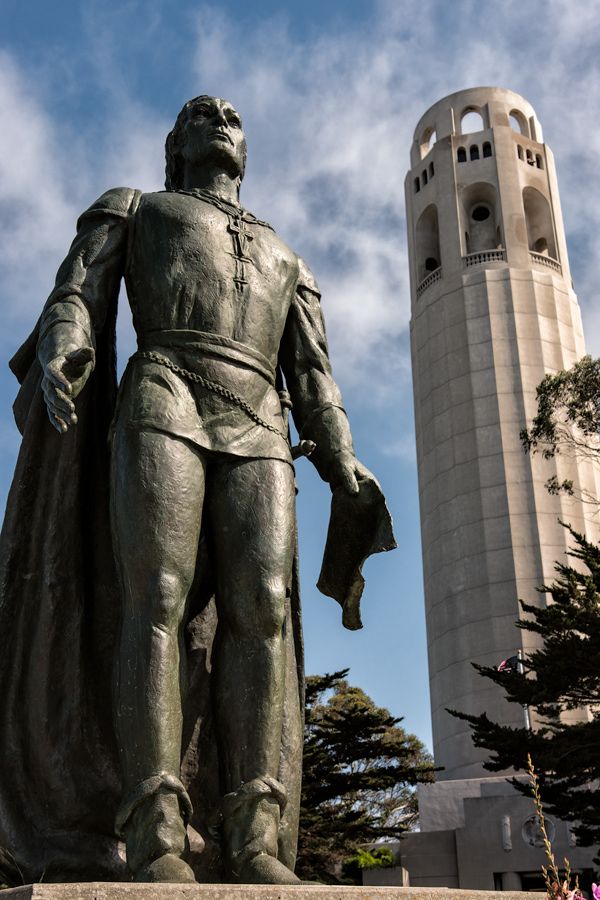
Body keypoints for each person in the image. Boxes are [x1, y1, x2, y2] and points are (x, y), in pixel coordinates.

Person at [0, 96, 394, 886]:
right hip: (165, 393)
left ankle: (254, 833)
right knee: (158, 599)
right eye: (198, 114)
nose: (219, 116)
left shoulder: (289, 258)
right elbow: (76, 291)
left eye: (233, 116)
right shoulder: (137, 208)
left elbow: (314, 376)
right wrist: (67, 343)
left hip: (260, 421)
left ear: (244, 148)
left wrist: (342, 456)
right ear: (173, 145)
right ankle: (155, 833)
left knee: (265, 609)